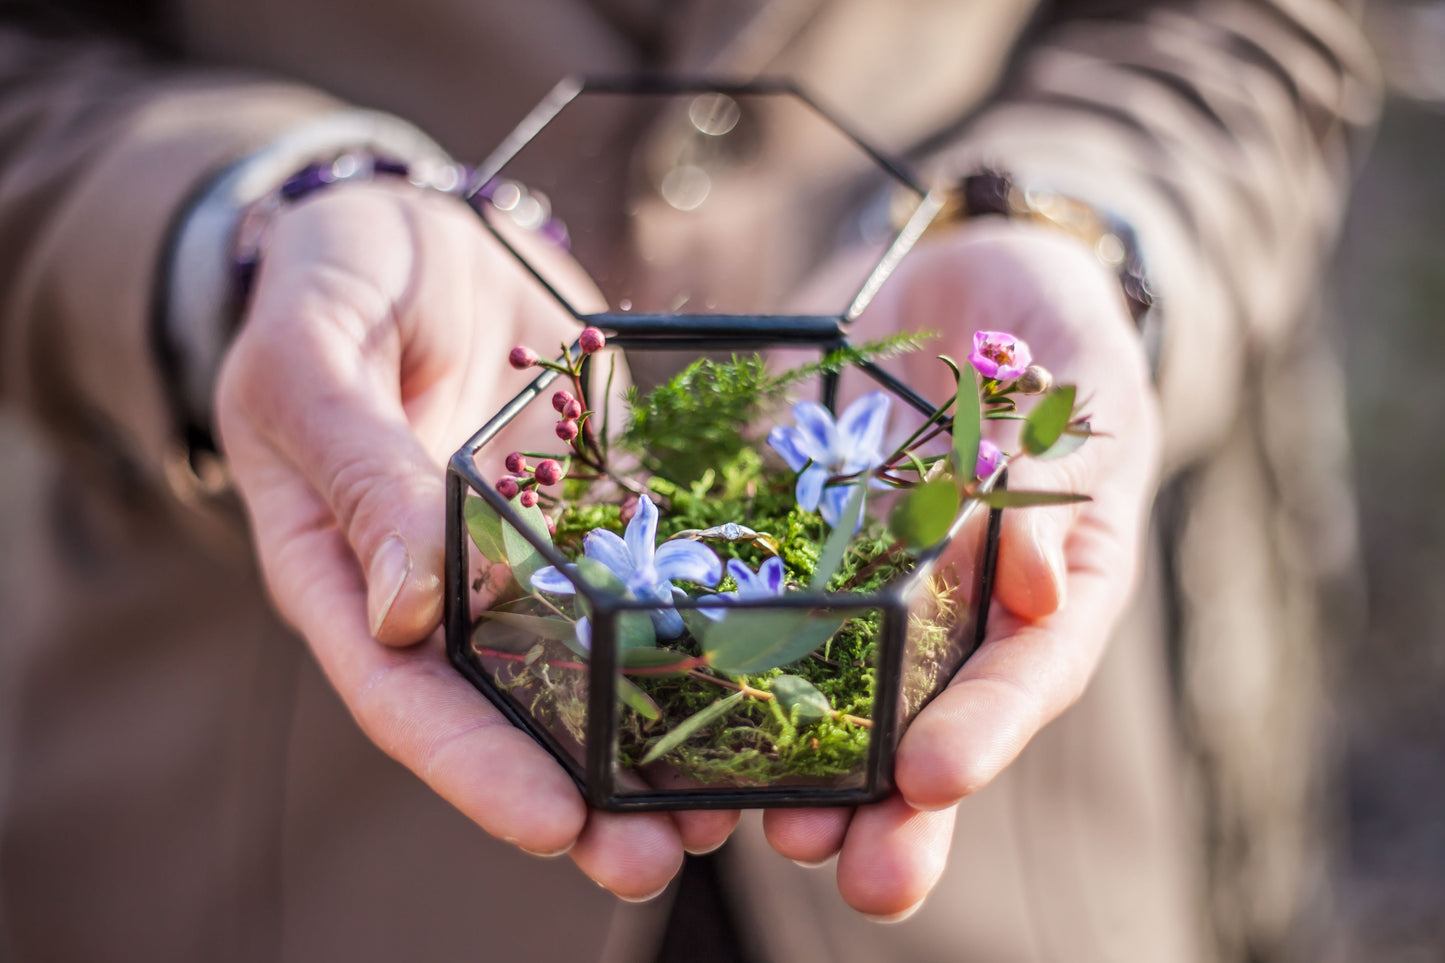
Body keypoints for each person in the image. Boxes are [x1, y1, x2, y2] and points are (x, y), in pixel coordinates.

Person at [0, 1, 1377, 960]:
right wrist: (245, 229)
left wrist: (1065, 226)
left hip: (985, 828)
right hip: (262, 836)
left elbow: (1241, 26)